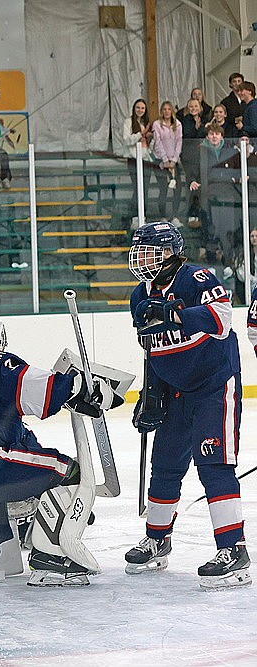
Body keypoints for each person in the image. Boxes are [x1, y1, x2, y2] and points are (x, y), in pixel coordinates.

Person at [0, 310, 123, 586]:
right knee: (70, 472)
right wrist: (83, 386)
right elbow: (43, 387)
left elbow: (18, 438)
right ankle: (52, 557)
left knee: (21, 468)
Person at [125, 221, 249, 589]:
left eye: (148, 250)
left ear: (170, 252)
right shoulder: (139, 295)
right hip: (176, 393)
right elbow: (154, 349)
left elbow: (223, 321)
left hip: (214, 387)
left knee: (214, 465)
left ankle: (233, 549)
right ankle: (157, 539)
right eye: (137, 251)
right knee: (163, 466)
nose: (140, 258)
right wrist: (152, 396)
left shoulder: (197, 278)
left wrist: (176, 314)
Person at [189, 123, 239, 256]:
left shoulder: (229, 151)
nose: (214, 136)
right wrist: (192, 180)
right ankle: (211, 252)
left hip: (226, 193)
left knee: (225, 223)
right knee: (209, 222)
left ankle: (226, 251)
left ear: (222, 136)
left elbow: (238, 169)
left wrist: (236, 177)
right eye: (211, 134)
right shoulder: (200, 151)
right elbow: (194, 169)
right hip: (207, 193)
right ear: (207, 136)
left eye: (217, 134)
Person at [151, 100, 183, 224]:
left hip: (174, 160)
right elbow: (157, 143)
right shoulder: (157, 124)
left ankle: (175, 216)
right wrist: (165, 160)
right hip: (161, 161)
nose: (166, 112)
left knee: (177, 188)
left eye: (169, 109)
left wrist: (174, 160)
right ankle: (163, 216)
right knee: (163, 188)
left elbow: (179, 142)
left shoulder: (178, 124)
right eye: (164, 109)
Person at [124, 98, 157, 218]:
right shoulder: (128, 122)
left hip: (146, 158)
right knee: (137, 188)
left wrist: (150, 137)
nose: (140, 110)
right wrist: (141, 134)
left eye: (142, 108)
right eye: (138, 107)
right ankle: (134, 216)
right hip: (133, 158)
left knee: (145, 189)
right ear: (134, 108)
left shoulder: (147, 122)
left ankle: (144, 215)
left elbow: (151, 145)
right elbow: (127, 140)